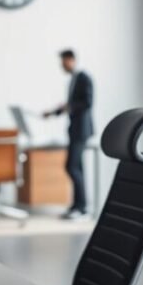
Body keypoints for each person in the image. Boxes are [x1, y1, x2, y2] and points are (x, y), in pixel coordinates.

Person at [44, 49, 94, 221]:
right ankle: (77, 206)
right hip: (74, 130)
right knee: (77, 168)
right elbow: (71, 105)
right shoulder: (73, 80)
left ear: (71, 60)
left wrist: (68, 107)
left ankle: (83, 208)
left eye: (63, 62)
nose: (62, 66)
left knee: (71, 167)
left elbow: (87, 102)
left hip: (81, 130)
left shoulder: (84, 78)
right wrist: (53, 112)